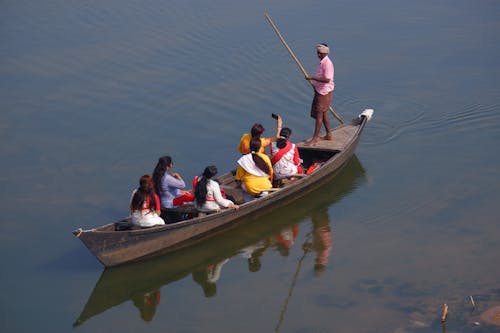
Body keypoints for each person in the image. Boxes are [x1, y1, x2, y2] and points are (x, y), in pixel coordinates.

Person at [305, 43, 335, 146]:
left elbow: (327, 79)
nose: (317, 54)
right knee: (323, 113)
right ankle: (329, 134)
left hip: (324, 92)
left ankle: (314, 139)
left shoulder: (327, 63)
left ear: (323, 53)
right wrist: (316, 85)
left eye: (319, 53)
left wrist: (312, 78)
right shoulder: (322, 62)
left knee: (319, 115)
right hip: (320, 90)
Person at [235, 137, 273, 202]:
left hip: (250, 188)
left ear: (250, 147)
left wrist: (239, 186)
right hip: (265, 187)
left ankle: (248, 201)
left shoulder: (244, 159)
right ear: (260, 147)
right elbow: (271, 173)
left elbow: (238, 179)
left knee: (243, 188)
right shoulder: (265, 157)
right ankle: (264, 196)